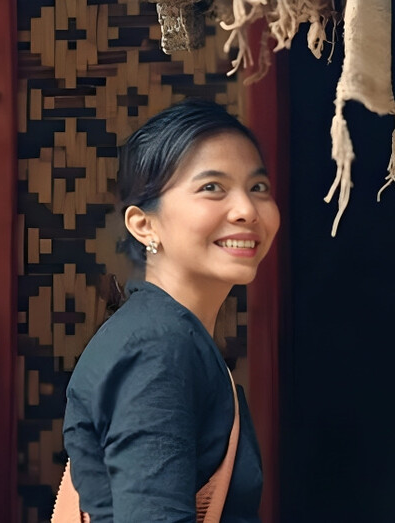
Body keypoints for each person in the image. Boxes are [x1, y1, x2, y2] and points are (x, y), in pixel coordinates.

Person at [62, 98, 279, 522]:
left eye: (258, 188)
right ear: (145, 225)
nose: (247, 210)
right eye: (212, 187)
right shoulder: (158, 349)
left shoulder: (170, 335)